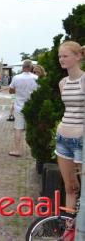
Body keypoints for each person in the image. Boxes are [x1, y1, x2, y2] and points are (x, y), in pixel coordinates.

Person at [55, 41, 84, 222]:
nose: (61, 59)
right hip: (63, 138)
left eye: (65, 56)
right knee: (69, 187)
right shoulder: (63, 83)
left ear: (78, 56)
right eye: (60, 56)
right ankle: (69, 229)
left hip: (81, 139)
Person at [8, 60, 38, 157]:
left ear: (22, 67)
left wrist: (18, 90)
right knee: (32, 128)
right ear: (31, 67)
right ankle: (35, 150)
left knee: (18, 128)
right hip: (32, 105)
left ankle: (17, 150)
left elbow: (11, 91)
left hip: (18, 106)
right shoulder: (36, 78)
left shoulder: (16, 77)